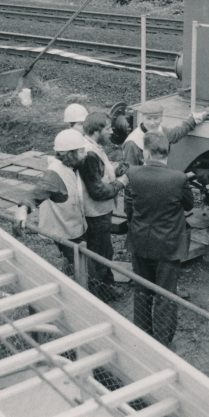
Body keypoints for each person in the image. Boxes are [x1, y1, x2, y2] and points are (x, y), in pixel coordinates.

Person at [124, 132, 193, 346]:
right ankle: (162, 342)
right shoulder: (179, 178)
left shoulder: (132, 174)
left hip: (140, 241)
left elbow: (128, 209)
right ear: (167, 152)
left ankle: (142, 335)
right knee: (165, 295)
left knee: (142, 291)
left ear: (145, 152)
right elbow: (189, 205)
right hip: (169, 246)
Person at [14, 129, 89, 273]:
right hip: (65, 234)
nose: (85, 154)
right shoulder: (54, 175)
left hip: (74, 228)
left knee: (74, 265)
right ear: (69, 154)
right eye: (81, 152)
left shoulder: (71, 165)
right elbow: (36, 192)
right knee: (86, 273)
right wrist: (23, 208)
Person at [78, 111, 128, 300]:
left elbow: (99, 176)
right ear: (96, 130)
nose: (111, 131)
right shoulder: (89, 154)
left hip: (100, 212)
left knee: (105, 251)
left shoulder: (94, 147)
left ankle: (106, 289)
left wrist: (115, 171)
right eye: (107, 128)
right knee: (100, 254)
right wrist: (121, 182)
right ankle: (98, 295)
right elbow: (97, 191)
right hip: (95, 214)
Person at [122, 100, 209, 168]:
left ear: (161, 118)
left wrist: (194, 119)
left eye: (156, 118)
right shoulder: (132, 143)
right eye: (149, 119)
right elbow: (130, 173)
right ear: (142, 118)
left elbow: (176, 133)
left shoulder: (162, 131)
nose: (153, 123)